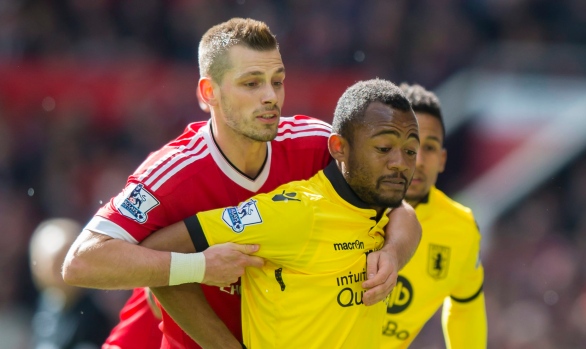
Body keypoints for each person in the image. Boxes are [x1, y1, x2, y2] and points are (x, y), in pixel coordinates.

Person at [62, 18, 421, 349]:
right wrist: (199, 267)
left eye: (277, 81)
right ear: (208, 93)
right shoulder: (171, 174)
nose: (270, 97)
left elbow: (396, 207)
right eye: (251, 83)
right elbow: (80, 262)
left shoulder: (316, 145)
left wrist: (392, 254)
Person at [148, 78, 420, 348]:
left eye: (410, 151)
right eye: (384, 149)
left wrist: (393, 254)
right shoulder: (295, 212)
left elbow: (408, 216)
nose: (400, 164)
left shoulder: (377, 204)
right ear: (339, 148)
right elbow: (158, 252)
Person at [380, 84, 487, 349]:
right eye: (409, 145)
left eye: (428, 148)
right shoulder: (345, 204)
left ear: (442, 159)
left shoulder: (460, 228)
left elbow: (465, 306)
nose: (417, 161)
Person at [30, 218, 112, 349]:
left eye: (65, 261)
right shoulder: (46, 307)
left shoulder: (91, 317)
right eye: (56, 264)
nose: (63, 271)